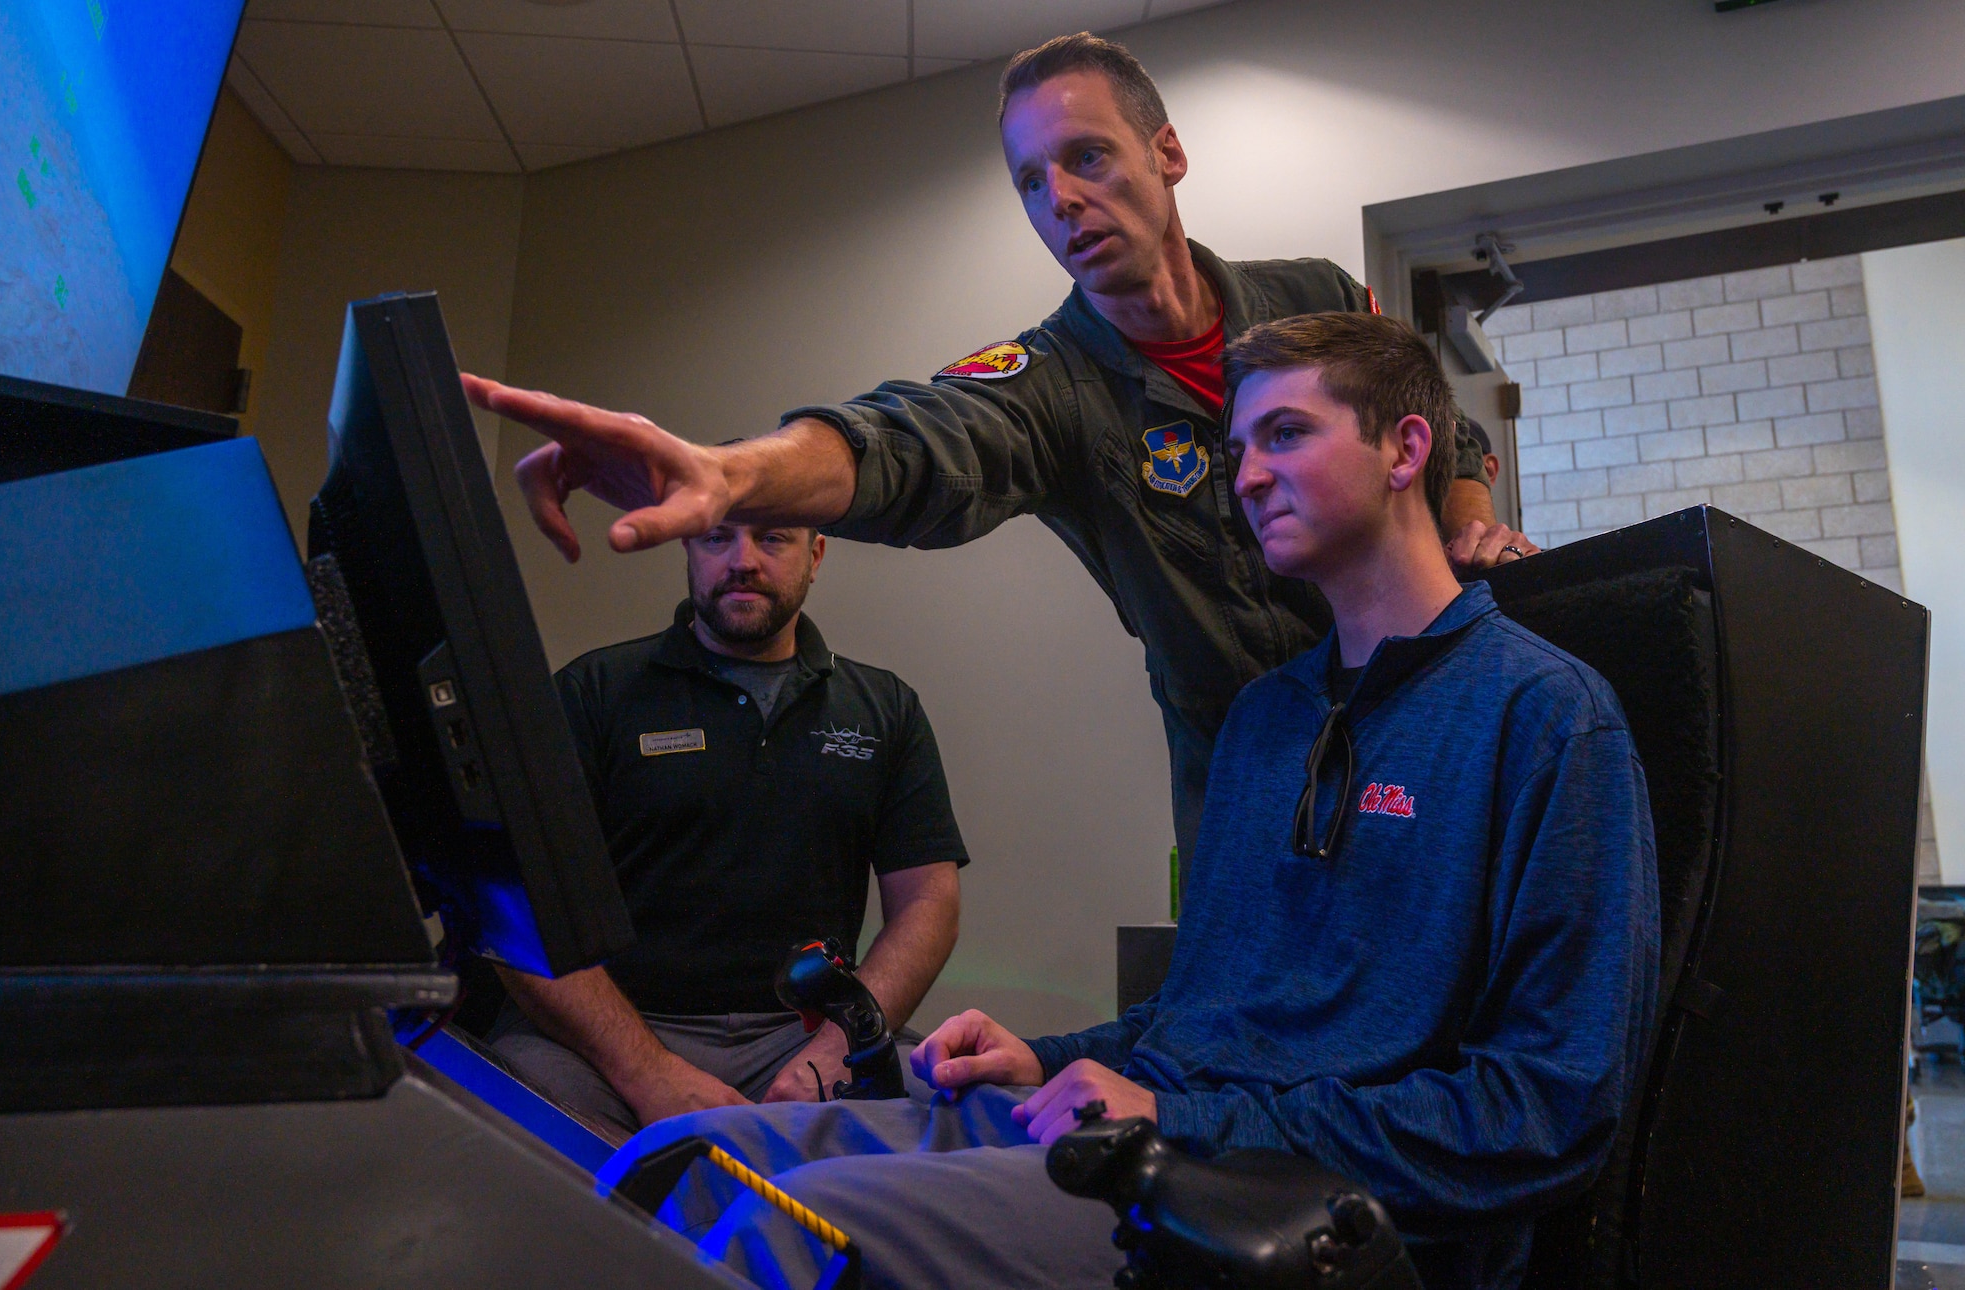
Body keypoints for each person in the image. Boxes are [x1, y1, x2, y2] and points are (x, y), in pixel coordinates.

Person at [619, 312, 1658, 1290]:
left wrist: (1179, 1117)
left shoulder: (1544, 716)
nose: (1246, 477)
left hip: (1292, 1202)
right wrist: (1044, 1060)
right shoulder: (1265, 719)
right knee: (679, 1162)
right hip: (1165, 1134)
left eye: (1286, 434)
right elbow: (1197, 1022)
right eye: (1237, 448)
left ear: (1405, 450)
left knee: (788, 1230)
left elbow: (1544, 1113)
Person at [460, 32, 1540, 875]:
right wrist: (732, 476)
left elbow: (1437, 425)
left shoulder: (1314, 298)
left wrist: (1464, 526)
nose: (1059, 199)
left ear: (1166, 154)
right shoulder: (1046, 384)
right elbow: (915, 443)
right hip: (1256, 787)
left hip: (1433, 720)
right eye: (1029, 181)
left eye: (1086, 157)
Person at [490, 520, 968, 1138]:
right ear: (687, 548)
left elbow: (929, 902)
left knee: (966, 1109)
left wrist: (830, 1056)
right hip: (608, 1042)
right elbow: (512, 905)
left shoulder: (885, 710)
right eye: (718, 538)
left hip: (803, 1039)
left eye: (773, 538)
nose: (742, 559)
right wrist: (648, 1073)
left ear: (815, 554)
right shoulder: (592, 693)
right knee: (516, 1122)